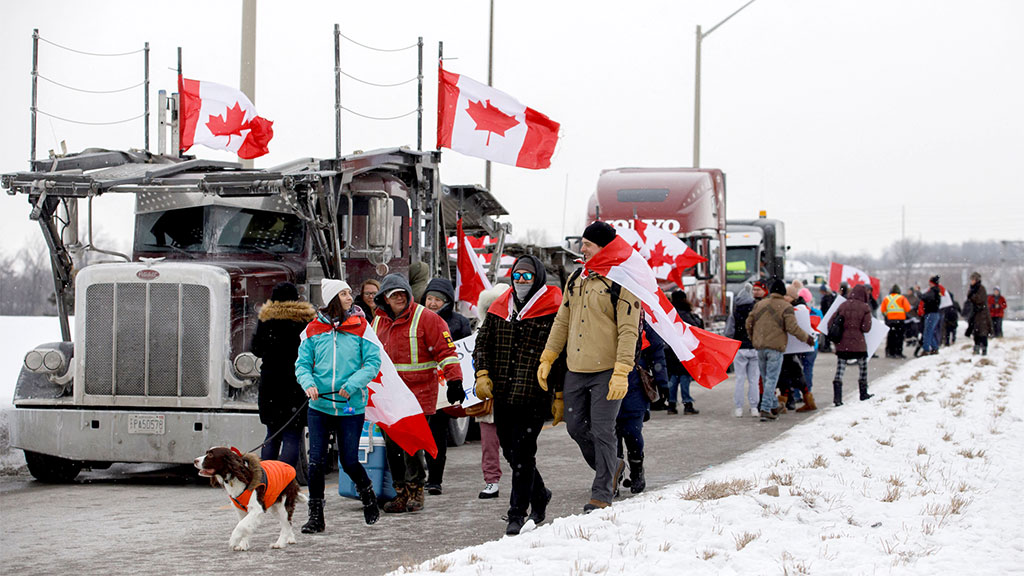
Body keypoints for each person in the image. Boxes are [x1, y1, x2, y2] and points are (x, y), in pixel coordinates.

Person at [539, 221, 640, 513]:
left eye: (588, 244)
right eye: (582, 243)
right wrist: (548, 356)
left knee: (603, 430)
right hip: (576, 368)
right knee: (574, 427)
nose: (581, 249)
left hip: (607, 369)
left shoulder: (622, 281)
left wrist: (622, 370)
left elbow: (628, 330)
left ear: (603, 248)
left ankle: (602, 492)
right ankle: (612, 467)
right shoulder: (577, 278)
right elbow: (562, 321)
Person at [474, 255, 563, 535]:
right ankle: (540, 494)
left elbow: (561, 355)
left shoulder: (553, 310)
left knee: (524, 453)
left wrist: (559, 393)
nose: (521, 280)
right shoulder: (500, 308)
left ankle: (517, 513)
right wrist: (482, 372)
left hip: (533, 394)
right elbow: (482, 342)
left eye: (526, 276)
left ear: (536, 277)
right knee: (511, 452)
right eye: (517, 275)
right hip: (502, 393)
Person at [372, 274, 463, 514]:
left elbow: (446, 351)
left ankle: (416, 491)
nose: (399, 298)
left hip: (418, 395)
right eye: (394, 295)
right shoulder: (377, 322)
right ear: (385, 299)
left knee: (412, 446)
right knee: (392, 446)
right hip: (389, 397)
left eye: (403, 293)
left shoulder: (427, 319)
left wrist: (455, 380)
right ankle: (400, 492)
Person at [295, 279, 382, 531]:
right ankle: (316, 516)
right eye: (343, 293)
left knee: (349, 461)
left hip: (350, 406)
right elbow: (302, 365)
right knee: (316, 462)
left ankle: (368, 495)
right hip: (319, 406)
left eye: (348, 292)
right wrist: (308, 383)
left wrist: (354, 384)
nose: (349, 297)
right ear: (332, 299)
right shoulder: (312, 329)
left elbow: (372, 362)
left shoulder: (361, 326)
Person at [251, 282, 316, 472]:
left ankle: (268, 478)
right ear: (296, 298)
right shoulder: (305, 320)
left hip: (271, 382)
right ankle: (285, 478)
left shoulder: (267, 319)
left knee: (272, 433)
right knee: (292, 434)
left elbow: (256, 349)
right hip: (296, 383)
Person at [420, 278, 473, 496]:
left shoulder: (459, 322)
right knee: (417, 434)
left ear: (447, 301)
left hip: (444, 388)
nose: (433, 303)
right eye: (430, 298)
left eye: (438, 300)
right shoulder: (415, 319)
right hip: (420, 385)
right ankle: (415, 478)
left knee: (437, 433)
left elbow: (466, 353)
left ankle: (434, 479)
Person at [746, 278, 815, 421]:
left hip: (760, 347)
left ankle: (773, 405)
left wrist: (753, 338)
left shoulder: (759, 305)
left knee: (766, 378)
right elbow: (792, 327)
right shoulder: (785, 307)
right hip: (775, 347)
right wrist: (807, 338)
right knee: (771, 378)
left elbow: (749, 323)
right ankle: (766, 409)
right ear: (783, 292)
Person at [616, 319, 664, 497]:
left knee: (632, 433)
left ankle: (637, 471)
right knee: (611, 437)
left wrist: (662, 383)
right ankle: (614, 477)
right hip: (607, 384)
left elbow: (657, 353)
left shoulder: (643, 324)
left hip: (635, 387)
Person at [829, 284, 874, 406]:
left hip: (843, 345)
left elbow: (831, 323)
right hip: (859, 345)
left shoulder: (843, 305)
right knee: (863, 368)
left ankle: (837, 398)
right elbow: (866, 328)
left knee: (840, 370)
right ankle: (863, 393)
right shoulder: (865, 307)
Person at [725, 282, 758, 417]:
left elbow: (729, 332)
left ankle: (739, 408)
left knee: (739, 379)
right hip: (755, 347)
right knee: (754, 380)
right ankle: (754, 407)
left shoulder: (735, 312)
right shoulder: (756, 310)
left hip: (740, 348)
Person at [665, 290, 701, 415]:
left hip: (671, 350)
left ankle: (671, 404)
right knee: (685, 377)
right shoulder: (686, 314)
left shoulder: (668, 314)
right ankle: (687, 404)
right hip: (684, 350)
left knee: (673, 378)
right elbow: (695, 329)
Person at [965, 272, 992, 356]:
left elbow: (980, 300)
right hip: (975, 314)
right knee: (975, 332)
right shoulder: (972, 289)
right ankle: (976, 347)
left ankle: (984, 349)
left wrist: (972, 297)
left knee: (983, 332)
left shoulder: (981, 288)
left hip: (982, 314)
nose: (971, 281)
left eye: (973, 280)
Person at [881, 284, 911, 358]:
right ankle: (898, 352)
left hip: (890, 320)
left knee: (891, 336)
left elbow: (883, 310)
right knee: (899, 337)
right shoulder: (902, 298)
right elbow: (908, 309)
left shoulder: (886, 298)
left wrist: (887, 315)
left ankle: (890, 352)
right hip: (900, 320)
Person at [919, 276, 943, 355]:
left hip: (931, 314)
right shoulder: (937, 291)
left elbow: (924, 297)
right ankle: (934, 348)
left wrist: (918, 292)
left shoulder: (933, 291)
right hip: (935, 313)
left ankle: (926, 349)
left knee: (927, 332)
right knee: (931, 332)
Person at [818, 284, 836, 353]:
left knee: (826, 333)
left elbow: (824, 308)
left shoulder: (826, 298)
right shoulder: (832, 297)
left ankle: (826, 346)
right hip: (830, 317)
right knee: (827, 333)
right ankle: (826, 346)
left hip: (826, 317)